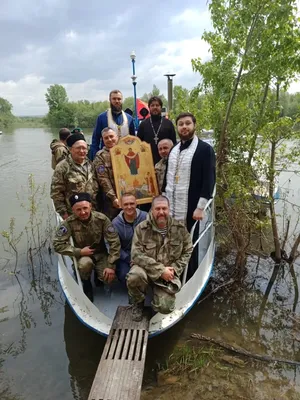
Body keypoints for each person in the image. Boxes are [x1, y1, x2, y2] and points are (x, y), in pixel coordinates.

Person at [163, 112, 216, 279]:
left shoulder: (205, 149)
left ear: (194, 125)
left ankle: (190, 276)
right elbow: (167, 177)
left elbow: (209, 180)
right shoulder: (174, 149)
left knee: (190, 243)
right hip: (172, 205)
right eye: (180, 124)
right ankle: (173, 273)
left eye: (187, 123)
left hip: (192, 207)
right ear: (177, 127)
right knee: (171, 241)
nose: (184, 127)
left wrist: (200, 207)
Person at [127, 195, 193, 321]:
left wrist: (174, 269)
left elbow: (188, 250)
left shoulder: (180, 229)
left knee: (166, 308)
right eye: (157, 209)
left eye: (164, 208)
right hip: (145, 270)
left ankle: (156, 298)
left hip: (168, 274)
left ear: (169, 210)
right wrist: (160, 270)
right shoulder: (141, 228)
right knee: (134, 276)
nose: (161, 212)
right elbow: (136, 254)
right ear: (152, 210)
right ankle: (138, 303)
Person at [53, 193, 121, 302]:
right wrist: (79, 251)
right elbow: (57, 244)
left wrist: (111, 265)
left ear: (90, 206)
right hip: (83, 256)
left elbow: (114, 242)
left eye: (85, 208)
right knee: (85, 265)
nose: (83, 212)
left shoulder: (101, 219)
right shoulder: (69, 223)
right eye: (78, 209)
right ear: (73, 210)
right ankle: (86, 282)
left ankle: (99, 278)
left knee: (108, 278)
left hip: (100, 254)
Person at [51, 133, 99, 219]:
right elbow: (56, 193)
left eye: (84, 148)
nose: (82, 151)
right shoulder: (62, 167)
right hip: (73, 215)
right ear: (70, 150)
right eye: (78, 148)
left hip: (92, 213)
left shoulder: (91, 165)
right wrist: (64, 215)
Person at [112, 193, 147, 286]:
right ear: (121, 205)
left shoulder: (146, 217)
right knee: (125, 276)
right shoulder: (115, 223)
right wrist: (128, 258)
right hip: (126, 257)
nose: (129, 207)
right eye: (126, 204)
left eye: (132, 203)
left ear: (136, 203)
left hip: (145, 254)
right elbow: (112, 245)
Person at [90, 90, 135, 160]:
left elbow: (133, 140)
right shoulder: (102, 117)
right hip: (107, 158)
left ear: (122, 100)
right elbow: (95, 139)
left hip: (126, 157)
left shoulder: (129, 118)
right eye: (114, 99)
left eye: (119, 99)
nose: (117, 101)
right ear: (110, 100)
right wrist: (96, 156)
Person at [137, 96, 177, 165]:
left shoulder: (168, 124)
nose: (155, 107)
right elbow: (138, 144)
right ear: (149, 108)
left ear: (161, 107)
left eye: (157, 105)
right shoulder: (143, 125)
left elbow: (174, 144)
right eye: (152, 105)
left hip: (166, 162)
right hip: (148, 161)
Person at [93, 128, 120, 220]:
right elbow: (103, 179)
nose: (109, 139)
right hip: (110, 199)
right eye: (106, 138)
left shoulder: (125, 151)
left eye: (111, 136)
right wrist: (113, 198)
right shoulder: (100, 156)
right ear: (103, 140)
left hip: (128, 196)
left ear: (117, 137)